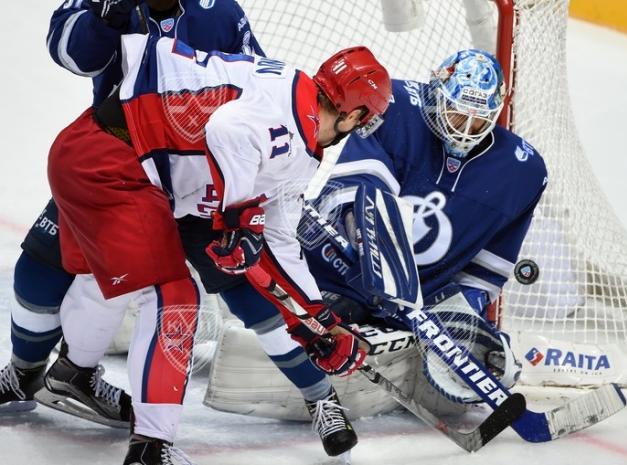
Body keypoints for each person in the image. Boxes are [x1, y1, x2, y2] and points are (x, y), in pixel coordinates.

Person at [46, 32, 391, 463]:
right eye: (364, 120)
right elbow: (227, 130)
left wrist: (321, 321)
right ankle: (150, 449)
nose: (361, 128)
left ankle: (69, 372)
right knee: (173, 295)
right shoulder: (288, 119)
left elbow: (281, 240)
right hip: (113, 161)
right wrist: (239, 215)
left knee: (106, 280)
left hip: (114, 159)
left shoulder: (298, 117)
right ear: (355, 113)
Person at [0, 0, 263, 423]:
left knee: (205, 289)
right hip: (114, 163)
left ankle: (105, 393)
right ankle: (24, 374)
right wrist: (107, 18)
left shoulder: (220, 11)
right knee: (40, 268)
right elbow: (69, 52)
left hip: (192, 177)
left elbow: (261, 88)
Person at [303, 49, 547, 406]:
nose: (464, 128)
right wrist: (381, 269)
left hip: (424, 298)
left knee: (499, 366)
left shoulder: (522, 170)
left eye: (478, 121)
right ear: (436, 94)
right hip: (340, 269)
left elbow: (488, 267)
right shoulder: (392, 106)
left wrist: (461, 313)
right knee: (325, 317)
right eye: (456, 113)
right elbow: (356, 200)